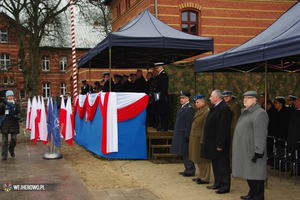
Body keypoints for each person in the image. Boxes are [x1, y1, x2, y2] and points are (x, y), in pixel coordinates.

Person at [232, 91, 269, 200]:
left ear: (255, 100)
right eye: (244, 98)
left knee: (256, 175)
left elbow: (261, 133)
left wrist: (258, 150)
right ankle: (252, 193)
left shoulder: (260, 113)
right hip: (246, 150)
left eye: (248, 98)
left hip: (254, 150)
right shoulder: (246, 112)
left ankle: (258, 196)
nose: (245, 100)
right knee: (249, 174)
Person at [201, 89, 232, 194]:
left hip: (220, 142)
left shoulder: (224, 108)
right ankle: (217, 182)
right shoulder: (215, 108)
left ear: (217, 97)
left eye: (211, 96)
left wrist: (220, 143)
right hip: (213, 141)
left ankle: (225, 185)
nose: (210, 98)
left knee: (222, 164)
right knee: (215, 163)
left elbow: (224, 127)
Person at [171, 91, 195, 177]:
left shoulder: (189, 109)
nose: (181, 99)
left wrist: (187, 135)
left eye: (183, 98)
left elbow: (189, 123)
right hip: (180, 133)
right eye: (181, 98)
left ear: (187, 99)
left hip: (184, 133)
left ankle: (190, 169)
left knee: (186, 152)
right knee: (183, 152)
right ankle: (187, 168)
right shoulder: (183, 107)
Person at [189, 94, 211, 184]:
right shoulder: (200, 111)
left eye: (198, 102)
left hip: (200, 138)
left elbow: (206, 127)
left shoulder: (206, 111)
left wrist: (203, 140)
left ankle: (205, 177)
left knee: (203, 160)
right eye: (195, 102)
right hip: (196, 138)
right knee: (198, 158)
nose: (196, 104)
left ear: (203, 102)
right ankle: (201, 175)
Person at [0, 90, 22, 160]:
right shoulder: (3, 104)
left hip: (14, 123)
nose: (11, 97)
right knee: (4, 141)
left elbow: (19, 112)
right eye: (9, 96)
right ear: (7, 97)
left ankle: (11, 149)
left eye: (12, 96)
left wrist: (18, 116)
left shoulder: (15, 104)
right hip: (5, 123)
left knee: (13, 138)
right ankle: (4, 155)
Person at [223, 91, 241, 165]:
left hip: (232, 130)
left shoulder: (235, 105)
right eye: (224, 97)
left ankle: (232, 166)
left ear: (231, 96)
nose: (225, 98)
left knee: (232, 149)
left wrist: (235, 131)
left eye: (227, 96)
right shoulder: (226, 105)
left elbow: (236, 118)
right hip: (226, 129)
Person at [152, 62, 169, 131]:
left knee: (162, 113)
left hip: (162, 97)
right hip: (158, 96)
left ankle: (164, 127)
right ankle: (160, 126)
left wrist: (161, 97)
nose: (156, 69)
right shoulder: (159, 75)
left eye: (158, 67)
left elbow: (163, 87)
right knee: (159, 112)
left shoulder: (164, 75)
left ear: (161, 67)